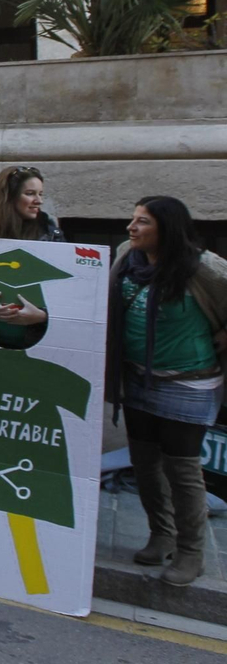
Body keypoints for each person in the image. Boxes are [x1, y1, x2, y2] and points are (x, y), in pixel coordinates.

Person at [107, 196, 227, 587]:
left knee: (182, 468)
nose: (131, 227)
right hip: (138, 379)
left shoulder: (204, 268)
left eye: (142, 221)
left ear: (167, 229)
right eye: (133, 218)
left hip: (188, 384)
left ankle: (192, 553)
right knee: (144, 463)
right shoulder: (127, 258)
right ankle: (162, 535)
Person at [0, 166, 65, 242]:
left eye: (40, 194)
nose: (39, 201)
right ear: (9, 197)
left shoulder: (51, 234)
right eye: (30, 193)